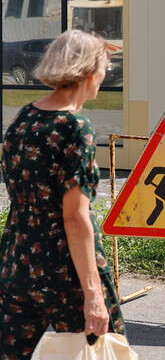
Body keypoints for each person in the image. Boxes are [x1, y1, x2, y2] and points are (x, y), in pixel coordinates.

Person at [0, 30, 125, 358]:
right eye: (103, 69)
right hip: (65, 271)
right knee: (102, 350)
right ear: (87, 72)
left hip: (17, 262)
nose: (103, 77)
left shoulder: (24, 119)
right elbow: (74, 216)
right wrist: (93, 293)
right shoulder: (75, 127)